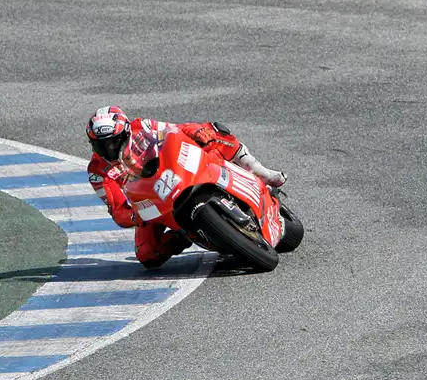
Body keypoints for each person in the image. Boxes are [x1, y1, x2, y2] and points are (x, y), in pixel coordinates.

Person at [86, 105, 287, 269]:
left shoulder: (143, 126)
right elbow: (118, 209)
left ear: (126, 132)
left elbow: (175, 130)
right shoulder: (97, 172)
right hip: (151, 201)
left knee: (210, 131)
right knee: (147, 255)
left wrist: (198, 133)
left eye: (113, 141)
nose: (109, 149)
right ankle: (181, 234)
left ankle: (256, 168)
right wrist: (135, 215)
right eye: (101, 145)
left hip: (172, 172)